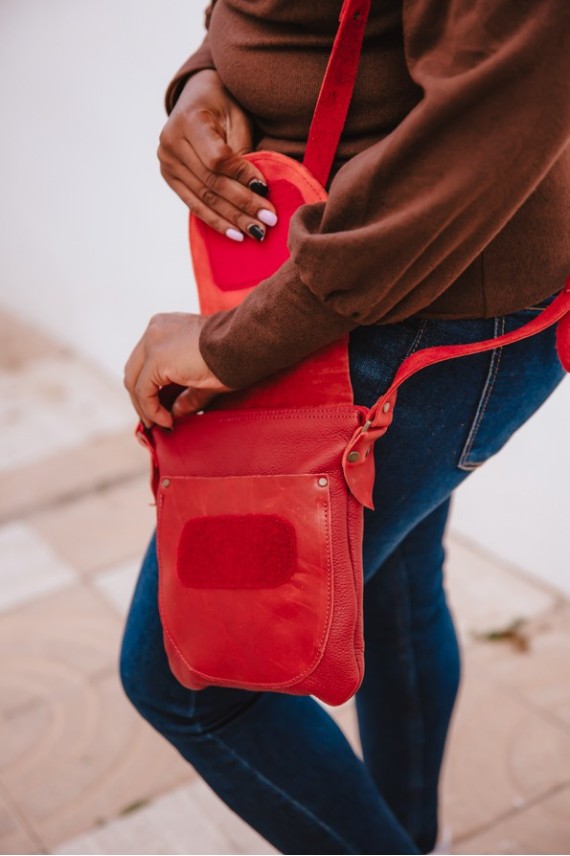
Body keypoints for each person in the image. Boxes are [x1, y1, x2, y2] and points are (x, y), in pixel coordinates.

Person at [121, 1, 570, 853]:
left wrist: (236, 345)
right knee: (395, 596)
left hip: (416, 314)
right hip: (369, 291)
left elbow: (502, 105)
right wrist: (204, 78)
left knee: (194, 683)